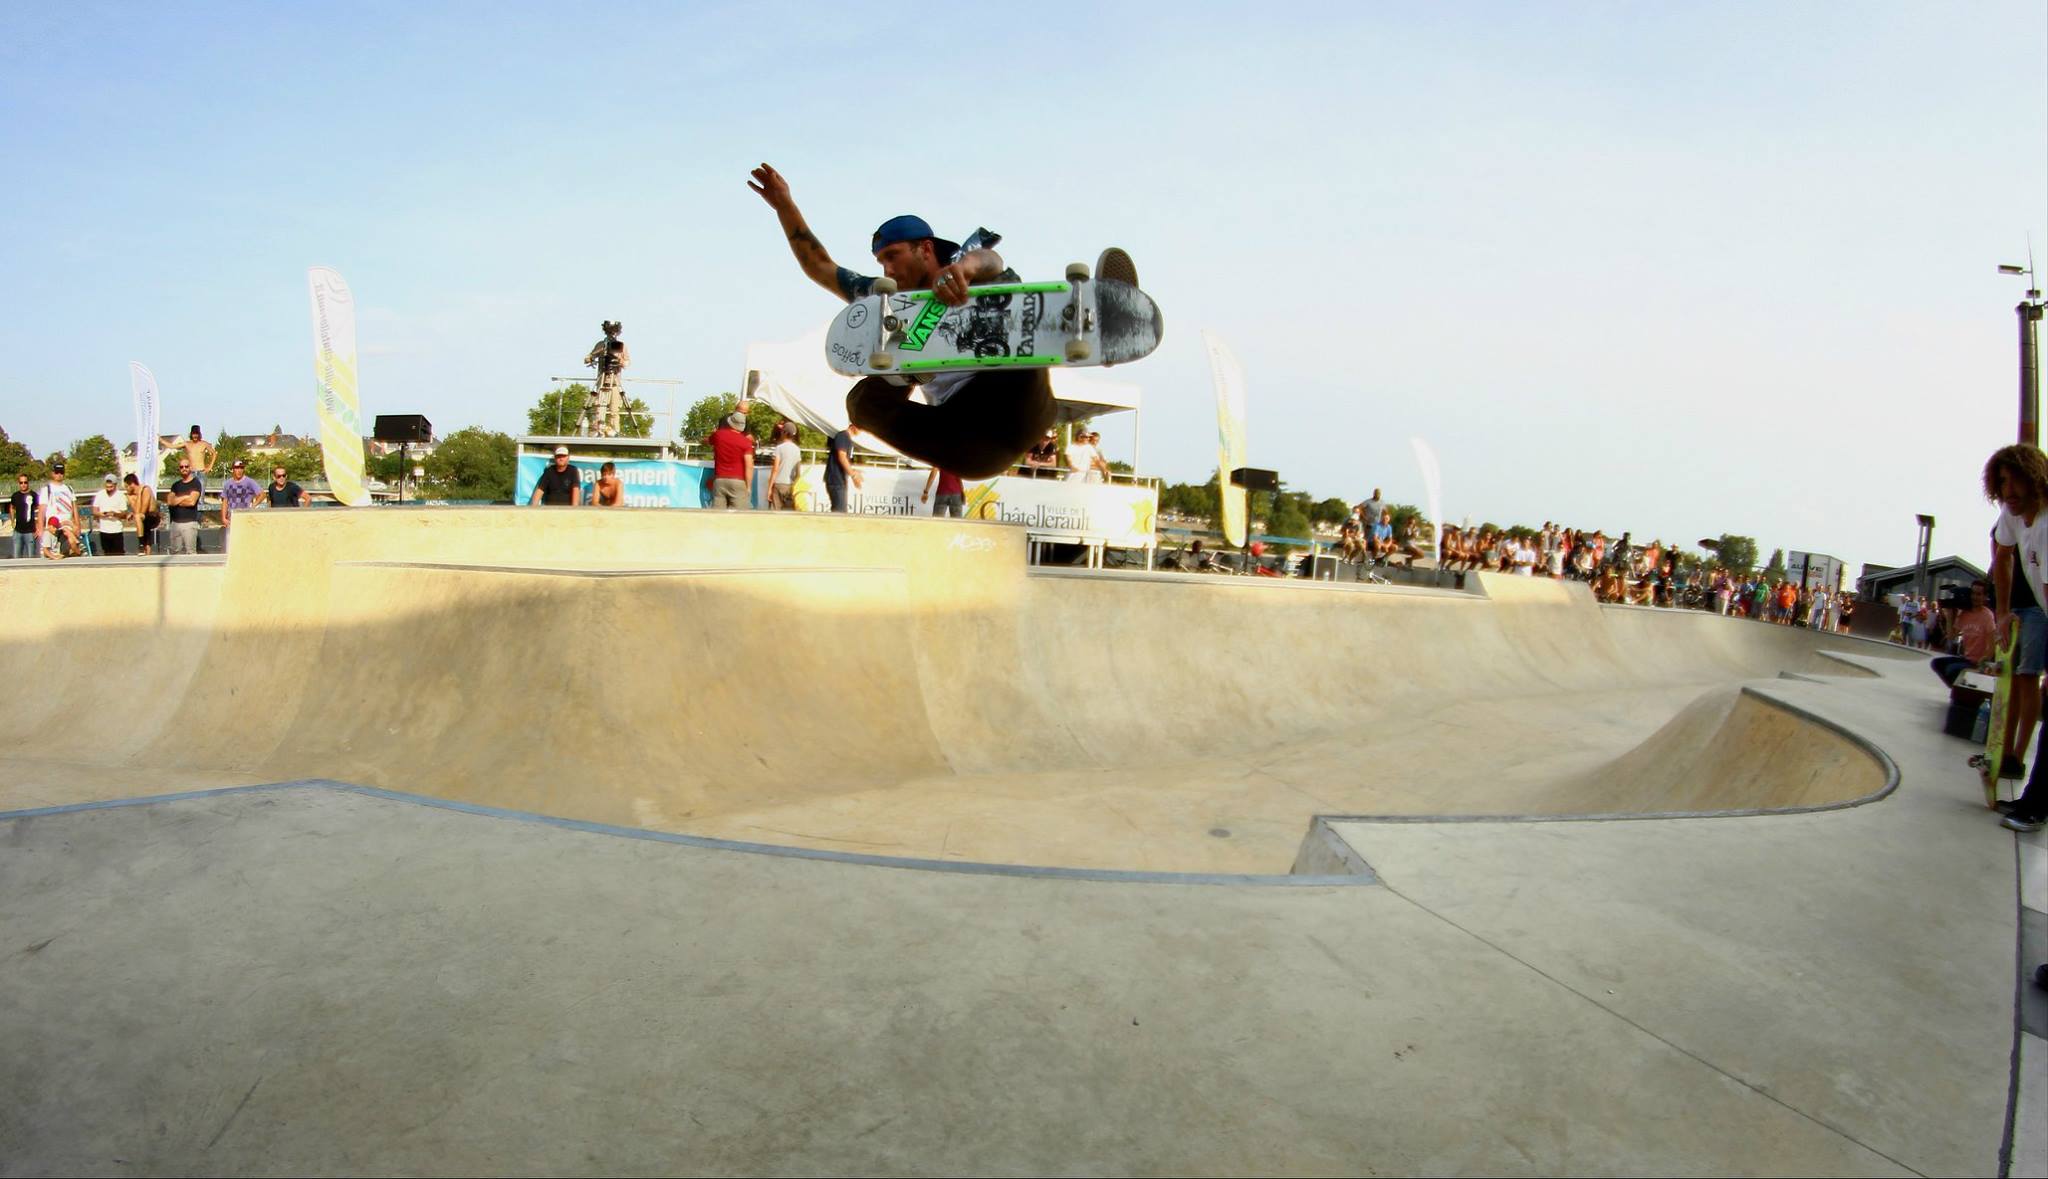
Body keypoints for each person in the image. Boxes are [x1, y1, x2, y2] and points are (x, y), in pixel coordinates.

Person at [749, 162, 1054, 478]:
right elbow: (820, 267)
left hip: (1015, 400)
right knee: (860, 403)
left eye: (893, 256)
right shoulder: (885, 298)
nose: (887, 270)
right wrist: (784, 205)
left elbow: (991, 260)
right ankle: (912, 369)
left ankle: (1094, 312)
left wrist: (966, 268)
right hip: (967, 443)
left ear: (925, 249)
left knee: (1003, 291)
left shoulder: (963, 270)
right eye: (881, 261)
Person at [1986, 444, 2048, 829]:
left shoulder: (2045, 525)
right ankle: (2037, 799)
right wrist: (2004, 610)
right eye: (2002, 481)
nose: (2008, 490)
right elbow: (2002, 555)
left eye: (2015, 480)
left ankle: (2037, 805)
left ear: (2035, 479)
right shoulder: (2013, 515)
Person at [1931, 582, 1996, 686]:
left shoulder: (1987, 615)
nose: (1975, 597)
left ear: (1985, 597)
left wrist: (1984, 662)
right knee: (1936, 663)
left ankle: (1961, 689)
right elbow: (1951, 636)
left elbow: (1992, 645)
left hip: (1978, 662)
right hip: (1966, 659)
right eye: (1973, 593)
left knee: (1951, 670)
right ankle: (1957, 689)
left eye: (1979, 594)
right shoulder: (1964, 614)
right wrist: (1949, 616)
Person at [582, 321, 631, 438]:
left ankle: (614, 431)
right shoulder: (601, 344)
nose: (612, 334)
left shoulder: (621, 346)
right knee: (599, 407)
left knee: (614, 409)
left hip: (614, 381)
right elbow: (588, 358)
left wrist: (620, 361)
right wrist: (593, 357)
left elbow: (627, 362)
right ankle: (599, 430)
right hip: (602, 379)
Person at [706, 412, 754, 509]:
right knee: (738, 518)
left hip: (719, 480)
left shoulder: (718, 435)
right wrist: (748, 487)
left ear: (730, 422)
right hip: (738, 482)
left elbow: (707, 441)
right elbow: (749, 466)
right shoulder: (746, 442)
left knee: (717, 515)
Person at [39, 461, 80, 558]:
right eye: (57, 472)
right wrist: (40, 529)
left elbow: (75, 508)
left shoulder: (69, 489)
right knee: (51, 551)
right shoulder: (46, 489)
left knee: (70, 544)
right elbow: (41, 511)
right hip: (53, 527)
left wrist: (78, 525)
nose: (59, 475)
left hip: (67, 525)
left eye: (61, 472)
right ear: (52, 473)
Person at [164, 457, 204, 553]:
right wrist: (185, 496)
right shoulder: (175, 485)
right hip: (175, 524)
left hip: (189, 524)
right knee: (175, 553)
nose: (184, 468)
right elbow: (170, 501)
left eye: (186, 466)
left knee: (191, 553)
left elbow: (191, 502)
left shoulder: (196, 483)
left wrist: (177, 500)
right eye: (181, 467)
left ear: (190, 468)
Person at [218, 459, 261, 548]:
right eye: (237, 468)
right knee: (230, 546)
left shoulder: (249, 482)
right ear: (233, 469)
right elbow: (225, 500)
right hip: (231, 518)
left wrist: (253, 505)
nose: (239, 470)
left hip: (245, 518)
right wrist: (223, 518)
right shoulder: (227, 483)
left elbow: (262, 494)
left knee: (245, 544)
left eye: (241, 468)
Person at [824, 424, 862, 512]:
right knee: (839, 514)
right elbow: (841, 456)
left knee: (839, 512)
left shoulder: (847, 438)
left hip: (839, 480)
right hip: (835, 480)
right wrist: (854, 475)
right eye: (860, 428)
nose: (861, 432)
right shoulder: (843, 436)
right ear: (853, 426)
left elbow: (843, 459)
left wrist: (854, 471)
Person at [91, 474, 131, 556]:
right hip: (104, 530)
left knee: (118, 553)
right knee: (107, 553)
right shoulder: (100, 494)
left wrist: (114, 514)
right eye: (107, 487)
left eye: (111, 487)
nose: (109, 489)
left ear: (115, 485)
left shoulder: (120, 495)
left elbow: (124, 513)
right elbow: (94, 511)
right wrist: (101, 514)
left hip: (116, 530)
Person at [766, 421, 802, 510]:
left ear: (784, 432)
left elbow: (775, 469)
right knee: (788, 513)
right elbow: (798, 471)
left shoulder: (779, 448)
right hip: (791, 485)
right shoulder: (797, 449)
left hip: (779, 484)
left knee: (777, 512)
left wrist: (770, 488)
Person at [127, 473, 160, 554]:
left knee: (138, 517)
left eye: (126, 486)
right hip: (143, 517)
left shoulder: (145, 489)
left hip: (152, 516)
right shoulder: (130, 495)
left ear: (132, 484)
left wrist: (140, 492)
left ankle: (141, 544)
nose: (126, 489)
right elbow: (136, 510)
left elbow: (143, 510)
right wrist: (136, 496)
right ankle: (144, 546)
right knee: (138, 518)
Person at [8, 473, 37, 559]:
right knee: (17, 559)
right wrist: (12, 521)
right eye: (21, 483)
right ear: (19, 483)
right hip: (18, 532)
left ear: (28, 483)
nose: (23, 484)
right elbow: (12, 508)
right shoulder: (15, 496)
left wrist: (39, 527)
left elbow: (40, 510)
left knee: (31, 559)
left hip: (30, 532)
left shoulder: (34, 495)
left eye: (25, 482)